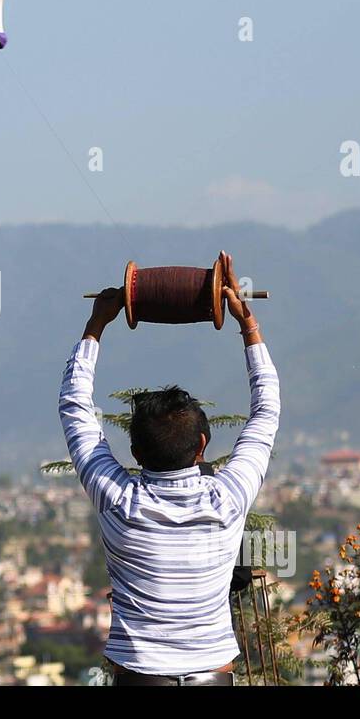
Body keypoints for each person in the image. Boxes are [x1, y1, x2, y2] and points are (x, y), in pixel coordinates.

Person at [59, 252, 280, 686]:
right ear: (202, 445)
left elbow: (75, 407)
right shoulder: (228, 498)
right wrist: (248, 325)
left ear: (135, 452)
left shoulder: (117, 498)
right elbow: (266, 411)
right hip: (213, 677)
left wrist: (96, 325)